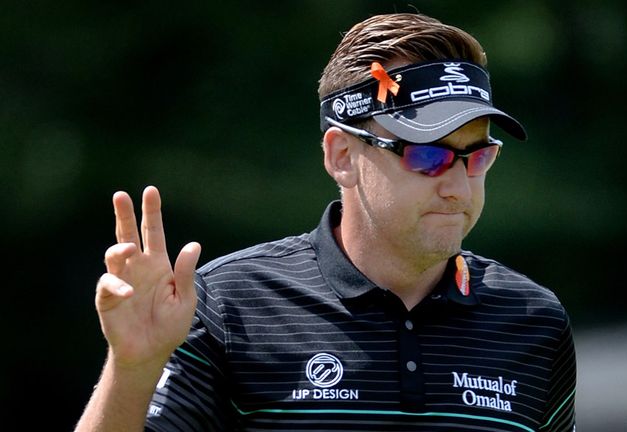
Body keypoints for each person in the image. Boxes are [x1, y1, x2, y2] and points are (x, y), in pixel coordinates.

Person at [76, 12, 576, 432]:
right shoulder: (226, 306)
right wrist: (132, 370)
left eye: (477, 156)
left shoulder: (536, 321)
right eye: (427, 156)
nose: (458, 187)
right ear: (341, 156)